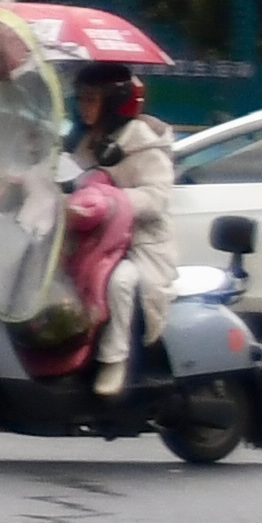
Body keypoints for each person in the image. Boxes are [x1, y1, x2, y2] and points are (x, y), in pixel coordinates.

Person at [86, 66, 181, 394]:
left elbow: (155, 198)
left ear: (115, 101)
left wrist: (110, 201)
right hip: (89, 241)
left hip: (136, 244)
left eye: (93, 98)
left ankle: (114, 359)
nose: (84, 105)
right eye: (80, 98)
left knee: (119, 281)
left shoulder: (144, 142)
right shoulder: (86, 139)